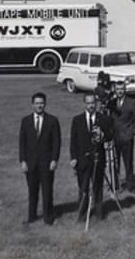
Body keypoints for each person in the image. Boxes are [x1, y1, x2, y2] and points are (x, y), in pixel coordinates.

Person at [19, 92, 61, 225]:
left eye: (41, 103)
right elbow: (22, 142)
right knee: (32, 191)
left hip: (47, 163)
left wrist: (54, 160)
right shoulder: (26, 121)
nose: (39, 106)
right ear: (32, 105)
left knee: (47, 191)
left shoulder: (52, 120)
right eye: (37, 103)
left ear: (45, 104)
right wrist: (23, 161)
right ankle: (32, 217)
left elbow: (56, 142)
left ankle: (48, 217)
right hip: (31, 163)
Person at [70, 93, 113, 222]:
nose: (91, 105)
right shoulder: (77, 120)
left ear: (96, 103)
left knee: (97, 187)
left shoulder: (103, 119)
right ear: (84, 103)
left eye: (93, 103)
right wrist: (74, 158)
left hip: (98, 159)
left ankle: (99, 214)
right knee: (83, 189)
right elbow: (73, 141)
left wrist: (103, 135)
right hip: (82, 160)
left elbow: (111, 135)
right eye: (88, 103)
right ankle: (82, 214)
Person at [108, 81, 135, 191]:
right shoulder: (111, 103)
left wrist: (130, 134)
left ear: (125, 90)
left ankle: (130, 184)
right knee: (114, 163)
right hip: (114, 138)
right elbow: (108, 119)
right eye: (118, 89)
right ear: (115, 90)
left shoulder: (132, 103)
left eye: (122, 89)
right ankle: (115, 184)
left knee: (128, 162)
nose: (120, 91)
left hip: (127, 138)